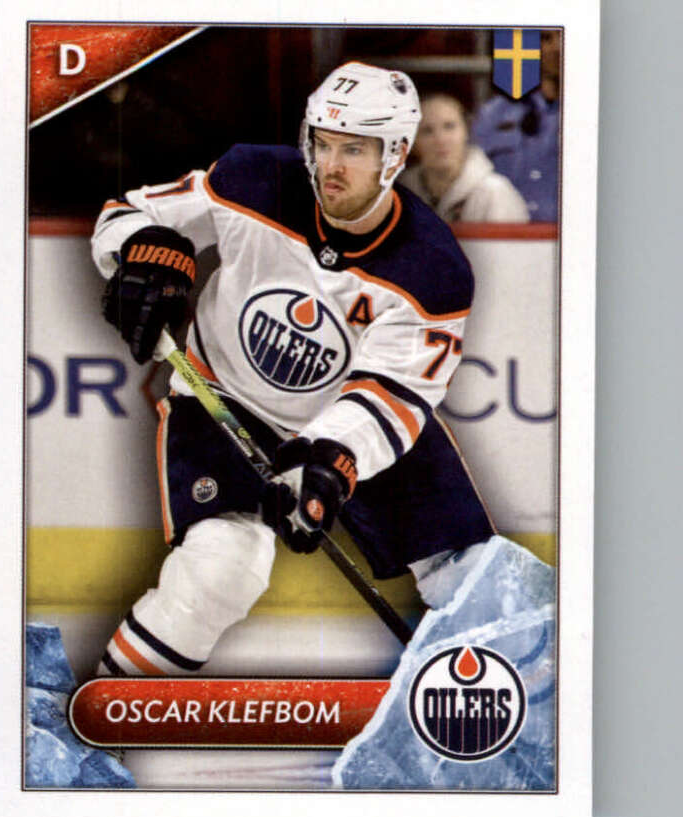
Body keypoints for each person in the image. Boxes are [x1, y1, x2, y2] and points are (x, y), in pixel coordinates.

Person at [90, 61, 497, 679]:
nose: (330, 166)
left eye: (353, 150)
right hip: (223, 397)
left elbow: (391, 394)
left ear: (395, 154)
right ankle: (106, 711)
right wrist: (145, 256)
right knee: (219, 571)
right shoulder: (254, 177)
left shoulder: (432, 269)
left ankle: (504, 707)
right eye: (322, 144)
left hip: (349, 419)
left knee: (473, 577)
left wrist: (327, 463)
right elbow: (128, 213)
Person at [472, 29, 561, 221]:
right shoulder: (492, 114)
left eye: (562, 37)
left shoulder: (596, 113)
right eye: (546, 38)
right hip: (507, 233)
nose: (557, 47)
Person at [400, 93, 529, 223]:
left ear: (466, 131)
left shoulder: (494, 193)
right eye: (427, 130)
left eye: (449, 126)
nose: (440, 139)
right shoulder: (402, 191)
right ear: (412, 141)